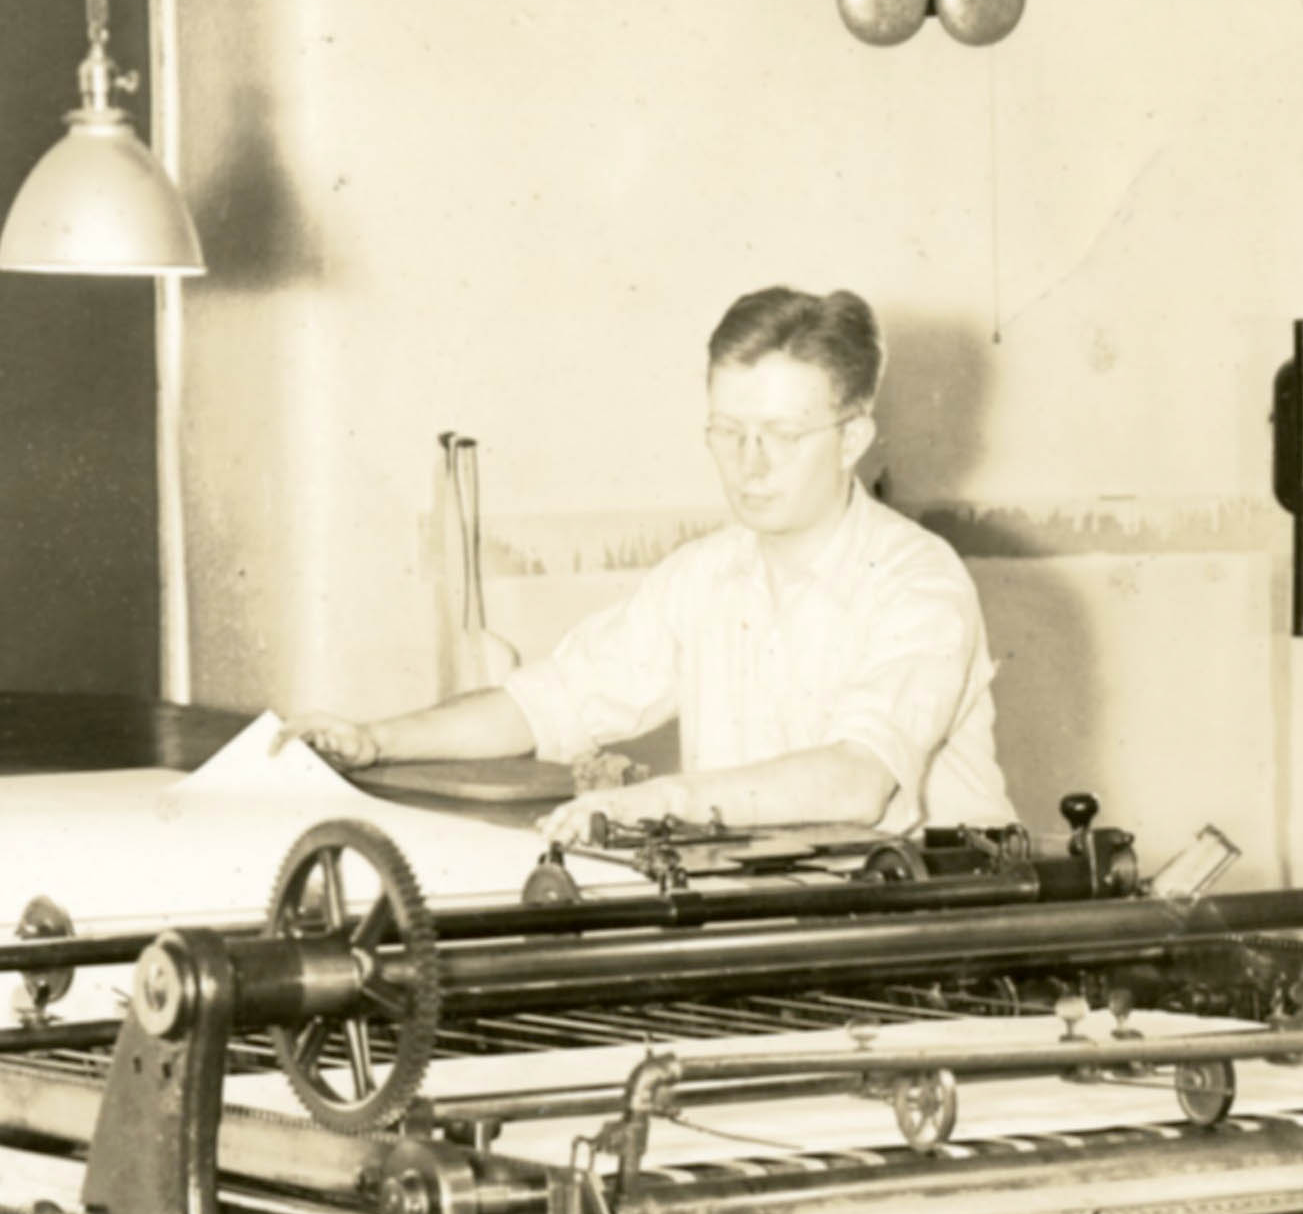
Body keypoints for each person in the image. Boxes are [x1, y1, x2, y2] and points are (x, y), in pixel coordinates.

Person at [323, 285, 1009, 850]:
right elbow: (546, 704)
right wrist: (375, 741)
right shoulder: (702, 576)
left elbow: (857, 781)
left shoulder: (918, 580)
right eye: (729, 432)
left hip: (933, 930)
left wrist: (663, 799)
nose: (751, 464)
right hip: (769, 910)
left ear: (852, 438)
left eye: (782, 436)